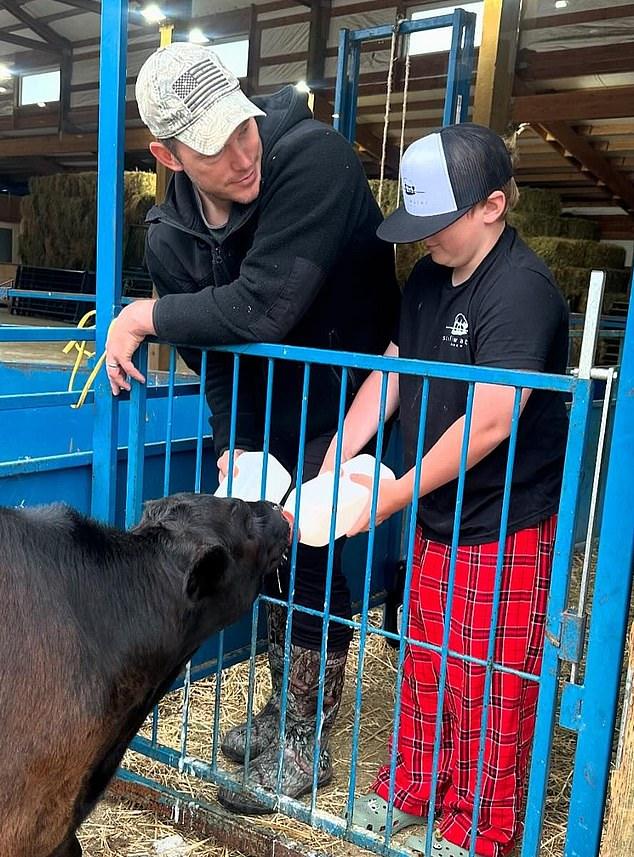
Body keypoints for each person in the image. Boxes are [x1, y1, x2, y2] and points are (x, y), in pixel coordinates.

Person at [104, 42, 398, 814]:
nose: (243, 154)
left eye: (243, 127)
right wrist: (234, 438)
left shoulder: (315, 162)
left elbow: (263, 307)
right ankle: (280, 706)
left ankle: (306, 739)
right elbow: (217, 351)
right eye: (215, 146)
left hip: (347, 396)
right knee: (263, 551)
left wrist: (141, 315)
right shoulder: (169, 236)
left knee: (310, 553)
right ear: (167, 155)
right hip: (265, 408)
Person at [321, 123, 569, 857]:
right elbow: (394, 371)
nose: (421, 238)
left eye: (438, 222)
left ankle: (485, 825)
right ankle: (417, 783)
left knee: (492, 679)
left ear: (493, 206)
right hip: (438, 513)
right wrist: (340, 454)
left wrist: (392, 495)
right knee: (427, 657)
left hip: (504, 520)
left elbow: (491, 420)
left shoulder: (523, 292)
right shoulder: (429, 276)